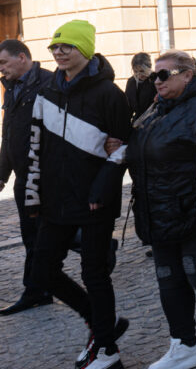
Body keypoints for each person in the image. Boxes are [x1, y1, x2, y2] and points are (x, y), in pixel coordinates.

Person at [29, 20, 132, 369]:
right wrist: (32, 194)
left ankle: (106, 350)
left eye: (67, 46)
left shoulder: (109, 94)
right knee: (41, 272)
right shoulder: (46, 91)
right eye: (55, 47)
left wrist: (102, 187)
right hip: (55, 200)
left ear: (85, 49)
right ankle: (103, 322)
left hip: (94, 201)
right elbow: (35, 145)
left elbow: (124, 147)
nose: (59, 52)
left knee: (94, 274)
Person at [128, 50, 196, 369]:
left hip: (194, 212)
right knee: (168, 281)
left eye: (163, 75)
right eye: (153, 76)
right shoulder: (156, 107)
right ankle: (183, 345)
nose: (156, 81)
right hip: (157, 212)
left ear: (187, 75)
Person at [0, 39, 52, 315]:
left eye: (3, 62)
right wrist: (2, 174)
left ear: (22, 57)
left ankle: (36, 290)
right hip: (23, 176)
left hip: (44, 176)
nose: (1, 69)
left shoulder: (49, 83)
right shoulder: (11, 87)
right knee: (32, 235)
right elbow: (8, 134)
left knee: (42, 236)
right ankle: (38, 290)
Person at [125, 52, 156, 120]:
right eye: (135, 71)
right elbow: (128, 107)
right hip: (138, 121)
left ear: (149, 68)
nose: (139, 75)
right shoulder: (131, 82)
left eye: (142, 71)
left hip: (154, 120)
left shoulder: (156, 80)